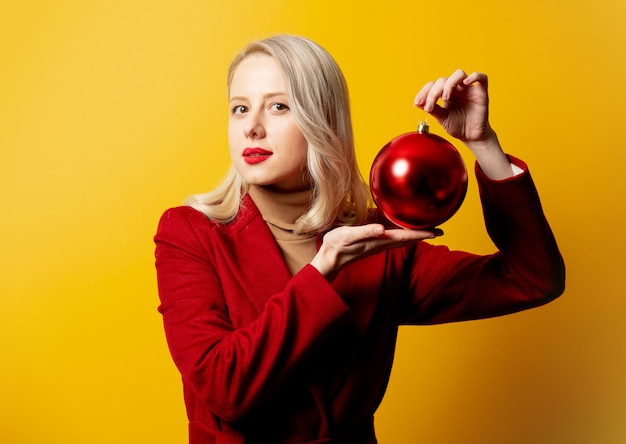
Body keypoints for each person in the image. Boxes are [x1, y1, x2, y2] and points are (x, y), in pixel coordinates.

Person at [154, 34, 565, 443]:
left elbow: (532, 279)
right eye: (239, 108)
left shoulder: (374, 241)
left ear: (323, 120)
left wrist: (484, 144)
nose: (252, 127)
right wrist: (322, 270)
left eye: (278, 106)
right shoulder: (190, 233)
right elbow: (224, 389)